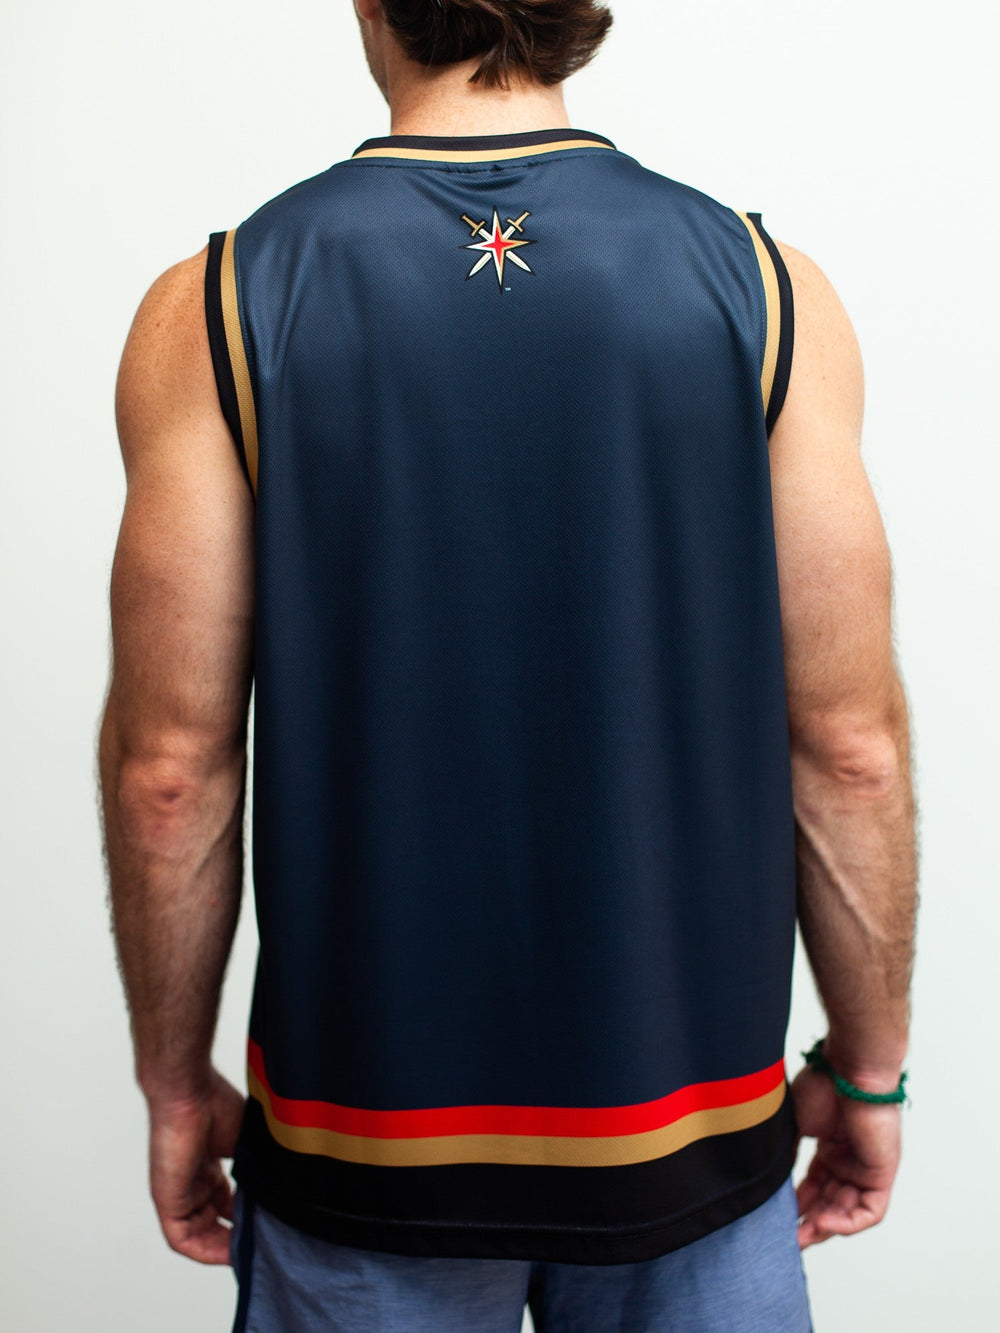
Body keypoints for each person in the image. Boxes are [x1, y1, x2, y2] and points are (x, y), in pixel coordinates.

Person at [97, 2, 918, 1329]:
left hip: (360, 1151)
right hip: (694, 1139)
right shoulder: (768, 292)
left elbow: (171, 775)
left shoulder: (216, 307)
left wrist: (174, 1082)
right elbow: (850, 749)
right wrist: (871, 1074)